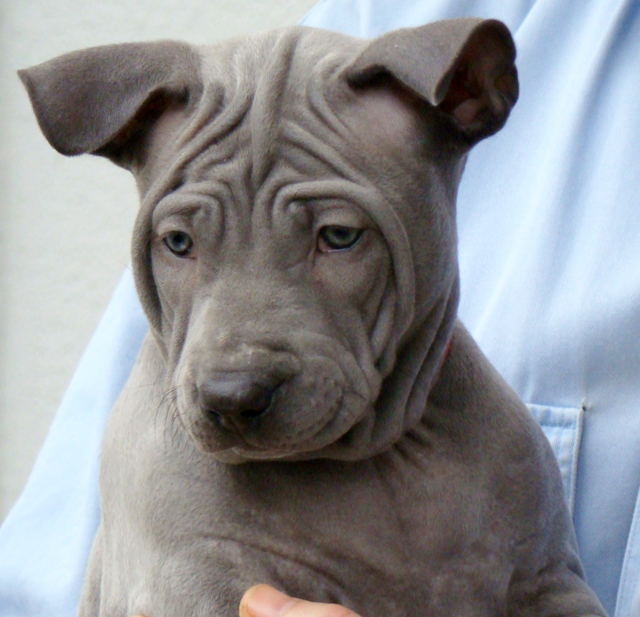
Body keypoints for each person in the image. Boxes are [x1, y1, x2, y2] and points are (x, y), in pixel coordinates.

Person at [1, 0, 639, 615]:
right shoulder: (162, 470)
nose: (233, 377)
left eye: (336, 235)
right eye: (181, 242)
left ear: (462, 98)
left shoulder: (503, 461)